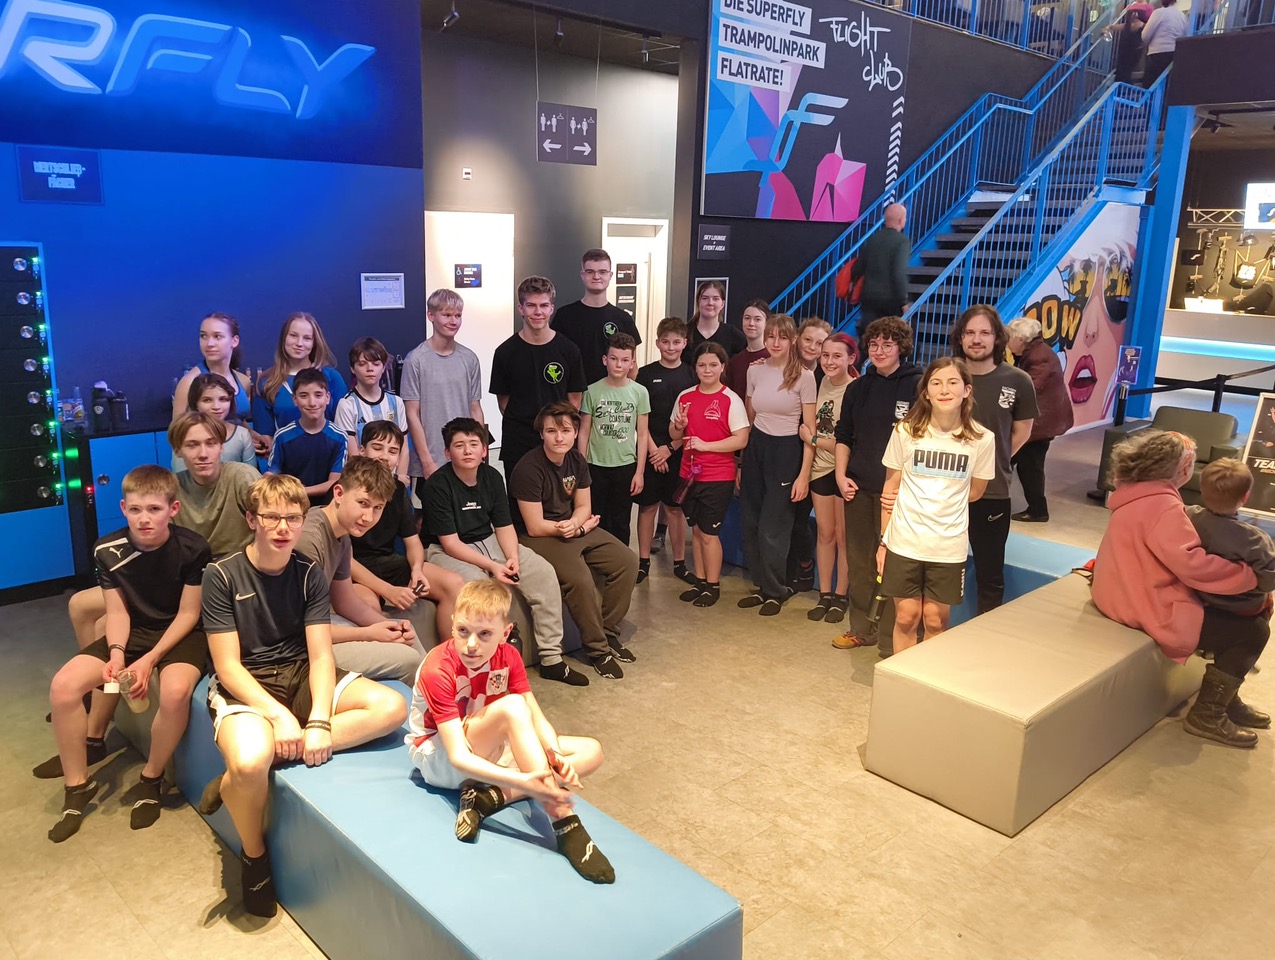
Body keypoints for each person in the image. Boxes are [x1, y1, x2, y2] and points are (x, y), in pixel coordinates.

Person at [197, 473, 408, 917]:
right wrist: (279, 716)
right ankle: (254, 857)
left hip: (298, 669)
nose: (283, 528)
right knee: (250, 761)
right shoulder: (221, 575)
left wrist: (318, 721)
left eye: (292, 518)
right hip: (248, 680)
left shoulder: (308, 572)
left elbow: (320, 653)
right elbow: (228, 666)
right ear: (252, 519)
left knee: (391, 706)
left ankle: (242, 775)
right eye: (272, 517)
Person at [43, 414, 258, 779]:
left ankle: (97, 723)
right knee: (85, 607)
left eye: (210, 443)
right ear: (179, 451)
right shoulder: (175, 484)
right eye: (192, 445)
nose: (202, 453)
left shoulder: (240, 477)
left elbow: (266, 514)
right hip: (177, 573)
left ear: (223, 445)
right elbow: (156, 540)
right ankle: (97, 700)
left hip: (216, 576)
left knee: (107, 624)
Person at [406, 579, 613, 883]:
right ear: (452, 624)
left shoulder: (509, 656)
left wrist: (554, 754)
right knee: (513, 707)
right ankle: (564, 822)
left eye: (484, 634)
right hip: (442, 758)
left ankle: (488, 798)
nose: (471, 644)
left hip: (487, 744)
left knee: (591, 751)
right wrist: (524, 780)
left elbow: (536, 717)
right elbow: (459, 756)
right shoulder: (438, 668)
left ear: (505, 633)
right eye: (463, 631)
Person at [45, 466, 211, 842]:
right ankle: (77, 785)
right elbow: (117, 613)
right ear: (123, 508)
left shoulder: (194, 548)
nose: (143, 518)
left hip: (180, 633)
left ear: (173, 509)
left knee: (175, 692)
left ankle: (151, 778)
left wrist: (149, 659)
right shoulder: (107, 549)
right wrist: (118, 655)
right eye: (135, 509)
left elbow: (189, 614)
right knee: (63, 686)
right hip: (133, 630)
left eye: (154, 509)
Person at [1092, 432, 1267, 748]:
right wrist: (1249, 577)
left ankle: (1226, 698)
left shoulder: (1135, 493)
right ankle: (1208, 714)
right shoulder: (1163, 506)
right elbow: (1193, 566)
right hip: (1144, 604)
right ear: (1181, 468)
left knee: (1241, 617)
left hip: (1118, 593)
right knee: (1252, 630)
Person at [425, 417, 588, 686]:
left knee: (543, 571)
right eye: (459, 445)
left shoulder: (491, 476)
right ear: (447, 452)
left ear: (484, 450)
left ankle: (551, 658)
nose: (467, 451)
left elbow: (503, 526)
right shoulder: (437, 485)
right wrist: (492, 566)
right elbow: (450, 542)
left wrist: (512, 557)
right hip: (448, 550)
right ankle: (481, 668)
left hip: (490, 540)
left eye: (473, 444)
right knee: (478, 586)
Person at [511, 401, 639, 680]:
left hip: (572, 527)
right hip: (539, 536)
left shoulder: (577, 461)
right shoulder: (528, 468)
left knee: (628, 561)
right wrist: (571, 529)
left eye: (565, 430)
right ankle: (597, 650)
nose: (559, 437)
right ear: (541, 434)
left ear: (575, 432)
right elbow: (534, 526)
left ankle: (607, 630)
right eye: (551, 431)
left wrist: (577, 526)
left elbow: (583, 506)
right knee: (579, 579)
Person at [878, 357, 995, 652]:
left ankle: (924, 676)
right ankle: (901, 675)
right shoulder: (905, 431)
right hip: (904, 541)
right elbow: (890, 489)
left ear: (966, 390)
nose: (944, 390)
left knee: (934, 620)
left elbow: (975, 492)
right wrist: (883, 543)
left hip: (948, 546)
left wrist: (942, 502)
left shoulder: (982, 439)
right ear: (926, 392)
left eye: (953, 382)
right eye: (936, 383)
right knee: (906, 616)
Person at [294, 457, 443, 685]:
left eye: (377, 508)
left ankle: (439, 697)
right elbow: (301, 628)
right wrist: (368, 633)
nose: (368, 518)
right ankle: (432, 700)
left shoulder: (342, 535)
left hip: (319, 627)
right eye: (363, 503)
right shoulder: (309, 539)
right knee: (408, 658)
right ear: (339, 493)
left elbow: (345, 602)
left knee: (404, 633)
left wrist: (389, 626)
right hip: (297, 649)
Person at [833, 317, 923, 653]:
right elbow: (844, 436)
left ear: (901, 347)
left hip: (899, 493)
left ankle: (891, 638)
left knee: (894, 565)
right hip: (859, 488)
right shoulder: (858, 388)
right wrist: (841, 475)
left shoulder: (918, 386)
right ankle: (861, 629)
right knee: (860, 563)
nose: (880, 350)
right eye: (874, 344)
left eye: (888, 344)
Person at [951, 305, 1037, 613]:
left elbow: (1022, 432)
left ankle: (983, 631)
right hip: (945, 490)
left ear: (997, 337)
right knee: (937, 566)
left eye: (984, 333)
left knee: (990, 573)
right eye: (970, 333)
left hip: (992, 491)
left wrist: (991, 463)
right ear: (960, 338)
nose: (977, 339)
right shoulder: (945, 377)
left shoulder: (1018, 380)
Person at [348, 421, 463, 645]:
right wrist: (388, 591)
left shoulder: (398, 489)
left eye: (393, 451)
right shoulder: (347, 488)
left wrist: (417, 569)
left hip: (390, 563)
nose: (384, 456)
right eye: (377, 448)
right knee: (369, 607)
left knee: (455, 583)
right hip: (356, 571)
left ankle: (448, 659)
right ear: (362, 450)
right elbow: (344, 561)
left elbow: (412, 542)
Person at [739, 314, 816, 616]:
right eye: (770, 336)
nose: (775, 342)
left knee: (773, 527)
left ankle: (776, 590)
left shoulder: (804, 377)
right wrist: (741, 462)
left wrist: (803, 475)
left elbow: (809, 431)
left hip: (786, 450)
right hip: (757, 447)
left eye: (782, 337)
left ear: (793, 340)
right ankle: (762, 585)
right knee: (751, 522)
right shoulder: (755, 370)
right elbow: (749, 418)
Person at [669, 343, 751, 608]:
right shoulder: (685, 396)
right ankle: (701, 582)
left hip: (717, 476)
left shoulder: (731, 399)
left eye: (713, 365)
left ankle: (713, 586)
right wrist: (679, 427)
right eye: (702, 365)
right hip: (688, 475)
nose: (707, 370)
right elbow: (674, 434)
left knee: (708, 533)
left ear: (722, 367)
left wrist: (706, 446)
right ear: (695, 367)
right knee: (696, 531)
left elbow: (741, 439)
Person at [490, 277, 587, 479]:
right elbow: (504, 403)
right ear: (521, 308)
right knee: (519, 497)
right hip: (518, 442)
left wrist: (555, 430)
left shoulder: (569, 350)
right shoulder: (505, 352)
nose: (538, 312)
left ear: (551, 308)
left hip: (558, 439)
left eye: (543, 305)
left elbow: (574, 401)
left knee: (559, 498)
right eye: (531, 305)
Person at [401, 288, 485, 493]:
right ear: (431, 316)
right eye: (447, 315)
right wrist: (426, 461)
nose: (453, 321)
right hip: (431, 459)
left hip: (464, 456)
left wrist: (479, 451)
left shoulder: (469, 359)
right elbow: (412, 414)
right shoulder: (416, 360)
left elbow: (475, 408)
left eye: (458, 315)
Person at [635, 317, 698, 584]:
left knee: (674, 509)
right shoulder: (645, 374)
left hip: (679, 452)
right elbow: (640, 418)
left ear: (684, 343)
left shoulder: (692, 375)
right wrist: (654, 451)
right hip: (649, 450)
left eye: (676, 342)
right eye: (665, 342)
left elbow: (694, 421)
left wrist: (670, 449)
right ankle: (643, 562)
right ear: (657, 343)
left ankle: (679, 563)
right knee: (648, 507)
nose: (671, 347)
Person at [802, 333, 856, 623]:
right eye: (826, 355)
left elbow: (849, 443)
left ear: (851, 358)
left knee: (844, 537)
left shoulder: (856, 389)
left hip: (844, 471)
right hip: (820, 469)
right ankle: (824, 594)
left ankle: (840, 596)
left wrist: (813, 439)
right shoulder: (817, 381)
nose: (830, 361)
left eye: (837, 356)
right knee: (825, 534)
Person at [578, 333, 650, 546]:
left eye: (625, 360)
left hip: (625, 466)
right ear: (605, 359)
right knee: (595, 518)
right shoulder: (591, 391)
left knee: (621, 521)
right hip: (595, 465)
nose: (619, 364)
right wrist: (582, 467)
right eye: (614, 358)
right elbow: (584, 431)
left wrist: (639, 472)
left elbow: (643, 434)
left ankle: (621, 561)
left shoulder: (640, 392)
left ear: (632, 363)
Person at [1188, 460, 1275, 631]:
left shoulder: (1188, 517)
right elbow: (1268, 583)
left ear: (1202, 489)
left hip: (1197, 595)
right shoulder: (1257, 540)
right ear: (1246, 497)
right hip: (1242, 607)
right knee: (1268, 599)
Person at [1006, 317, 1073, 523]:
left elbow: (1029, 388)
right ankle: (1033, 508)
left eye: (1010, 337)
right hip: (1039, 423)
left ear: (1020, 339)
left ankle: (1038, 510)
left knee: (1029, 467)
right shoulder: (1035, 353)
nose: (1007, 341)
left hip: (1038, 426)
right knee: (1020, 464)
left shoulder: (1038, 357)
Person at [252, 312, 348, 455]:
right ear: (284, 338)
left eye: (307, 338)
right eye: (293, 335)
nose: (299, 343)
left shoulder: (332, 378)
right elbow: (265, 437)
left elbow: (344, 427)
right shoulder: (267, 382)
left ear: (314, 342)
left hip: (329, 457)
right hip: (287, 460)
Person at [788, 316, 834, 590]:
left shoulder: (827, 378)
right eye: (808, 339)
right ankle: (789, 569)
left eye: (819, 343)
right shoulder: (782, 369)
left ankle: (805, 565)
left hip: (815, 456)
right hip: (786, 451)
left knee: (800, 518)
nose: (812, 347)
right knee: (787, 518)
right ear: (797, 339)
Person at [551, 248, 642, 384]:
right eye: (590, 272)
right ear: (582, 275)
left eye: (602, 272)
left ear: (610, 275)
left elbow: (632, 368)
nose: (596, 276)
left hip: (612, 393)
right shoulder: (564, 316)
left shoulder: (623, 319)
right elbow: (555, 360)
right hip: (574, 393)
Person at [267, 367, 347, 506]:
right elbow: (272, 475)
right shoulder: (282, 436)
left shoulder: (339, 437)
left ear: (327, 398)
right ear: (295, 399)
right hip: (289, 504)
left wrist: (300, 491)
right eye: (303, 396)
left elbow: (335, 482)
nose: (312, 403)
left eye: (318, 395)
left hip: (325, 507)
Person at [334, 337, 408, 478]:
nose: (370, 369)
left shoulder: (396, 402)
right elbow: (353, 455)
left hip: (394, 480)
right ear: (352, 368)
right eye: (362, 364)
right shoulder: (347, 404)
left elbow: (403, 448)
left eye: (376, 363)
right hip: (363, 480)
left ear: (383, 367)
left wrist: (400, 479)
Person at [171, 311, 254, 427]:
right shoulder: (189, 383)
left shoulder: (243, 381)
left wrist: (255, 435)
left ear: (234, 341)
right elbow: (177, 431)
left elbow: (238, 422)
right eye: (203, 336)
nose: (209, 343)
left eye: (217, 336)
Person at [172, 372, 257, 471]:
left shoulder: (242, 435)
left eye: (223, 399)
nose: (216, 406)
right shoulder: (184, 435)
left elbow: (251, 475)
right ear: (195, 404)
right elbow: (181, 476)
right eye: (207, 400)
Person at [851, 203, 911, 340]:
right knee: (894, 338)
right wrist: (904, 301)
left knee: (869, 337)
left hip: (868, 298)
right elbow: (898, 273)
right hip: (890, 301)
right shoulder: (902, 241)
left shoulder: (873, 239)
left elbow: (857, 268)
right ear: (901, 220)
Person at [688, 280, 747, 359]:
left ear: (722, 304)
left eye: (715, 299)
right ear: (698, 302)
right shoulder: (684, 333)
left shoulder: (732, 334)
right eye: (705, 298)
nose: (710, 303)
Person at [724, 300, 770, 394]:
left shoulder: (772, 357)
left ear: (767, 323)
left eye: (757, 319)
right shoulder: (735, 362)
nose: (751, 323)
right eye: (747, 318)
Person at [1141, 0, 1188, 88]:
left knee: (1150, 84)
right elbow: (1185, 35)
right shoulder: (1182, 16)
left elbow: (1145, 35)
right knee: (1167, 85)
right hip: (1175, 53)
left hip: (1157, 53)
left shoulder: (1159, 13)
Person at [1113, 3, 1152, 84]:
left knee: (1125, 70)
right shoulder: (1135, 22)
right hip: (1129, 47)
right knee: (1123, 70)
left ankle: (1122, 86)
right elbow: (1125, 26)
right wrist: (1110, 27)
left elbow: (1132, 26)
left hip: (1133, 47)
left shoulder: (1140, 23)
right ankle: (1121, 85)